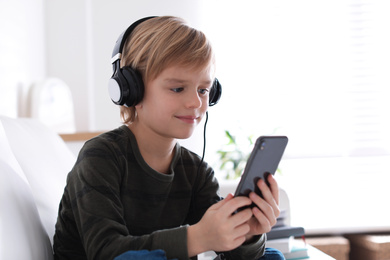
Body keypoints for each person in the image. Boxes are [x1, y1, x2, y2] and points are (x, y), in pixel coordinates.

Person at [53, 16, 284, 260]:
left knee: (269, 256)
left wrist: (247, 235)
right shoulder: (101, 157)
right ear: (131, 89)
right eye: (177, 88)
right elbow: (106, 252)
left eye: (203, 90)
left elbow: (229, 250)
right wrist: (197, 238)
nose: (196, 102)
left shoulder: (196, 171)